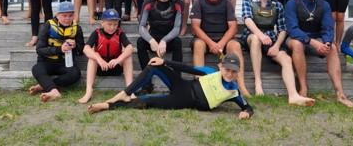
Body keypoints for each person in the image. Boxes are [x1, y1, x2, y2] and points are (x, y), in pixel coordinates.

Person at [87, 53, 253, 120]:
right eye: (227, 69)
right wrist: (164, 61)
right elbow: (187, 68)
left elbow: (247, 107)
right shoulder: (211, 71)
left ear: (238, 73)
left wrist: (245, 113)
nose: (229, 74)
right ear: (221, 66)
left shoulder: (233, 91)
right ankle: (124, 93)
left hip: (184, 100)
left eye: (234, 72)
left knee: (148, 101)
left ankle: (108, 106)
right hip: (184, 85)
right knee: (154, 65)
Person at [240, 0, 315, 105]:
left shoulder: (278, 5)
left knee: (286, 58)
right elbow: (247, 20)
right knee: (256, 40)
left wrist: (276, 46)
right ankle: (258, 82)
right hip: (251, 35)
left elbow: (282, 29)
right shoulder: (248, 0)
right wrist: (261, 35)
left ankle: (293, 95)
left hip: (270, 39)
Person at [285, 0, 353, 107]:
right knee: (297, 44)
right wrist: (312, 42)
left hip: (316, 38)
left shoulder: (323, 4)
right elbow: (292, 29)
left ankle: (340, 93)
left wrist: (327, 42)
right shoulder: (292, 3)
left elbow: (328, 27)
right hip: (296, 38)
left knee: (333, 47)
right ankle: (303, 89)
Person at [190, 0, 249, 96]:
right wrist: (211, 43)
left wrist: (221, 43)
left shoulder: (226, 2)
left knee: (236, 45)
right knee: (198, 44)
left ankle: (241, 87)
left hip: (224, 39)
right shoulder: (198, 2)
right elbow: (195, 27)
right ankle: (199, 86)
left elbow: (233, 27)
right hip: (205, 39)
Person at [29, 1, 84, 102]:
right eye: (64, 15)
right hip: (46, 62)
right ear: (57, 15)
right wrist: (59, 49)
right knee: (36, 69)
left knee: (75, 74)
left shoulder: (77, 28)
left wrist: (76, 45)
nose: (67, 18)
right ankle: (54, 91)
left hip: (65, 63)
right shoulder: (47, 26)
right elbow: (39, 49)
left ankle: (45, 86)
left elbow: (81, 50)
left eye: (70, 15)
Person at [136, 0, 183, 93]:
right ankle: (146, 84)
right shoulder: (148, 3)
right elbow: (141, 26)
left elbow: (177, 28)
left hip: (169, 38)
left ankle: (176, 83)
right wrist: (151, 40)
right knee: (140, 42)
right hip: (153, 37)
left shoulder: (177, 3)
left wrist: (164, 41)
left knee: (178, 42)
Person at [79, 9, 134, 104]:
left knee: (127, 56)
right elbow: (85, 49)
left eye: (115, 24)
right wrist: (99, 59)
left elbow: (130, 48)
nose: (112, 27)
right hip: (101, 68)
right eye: (109, 24)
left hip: (115, 67)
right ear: (102, 23)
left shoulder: (120, 33)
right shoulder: (96, 33)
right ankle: (88, 91)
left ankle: (130, 91)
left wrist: (118, 59)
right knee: (93, 57)